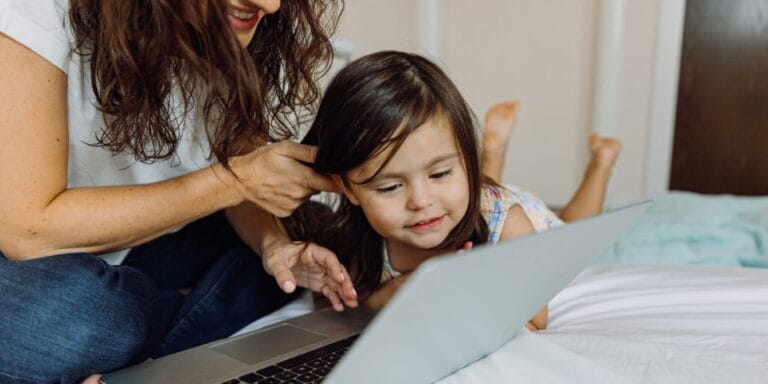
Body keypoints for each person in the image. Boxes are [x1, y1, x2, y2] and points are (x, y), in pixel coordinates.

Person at [0, 0, 358, 382]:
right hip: (24, 251)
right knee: (94, 316)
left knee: (315, 231)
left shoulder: (239, 25)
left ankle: (145, 333)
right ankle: (168, 317)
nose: (269, 5)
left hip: (136, 245)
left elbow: (236, 161)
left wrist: (273, 247)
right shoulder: (35, 9)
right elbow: (27, 232)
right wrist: (236, 180)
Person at [284, 50, 563, 331]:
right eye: (390, 187)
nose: (420, 201)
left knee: (574, 220)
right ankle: (487, 161)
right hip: (469, 195)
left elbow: (535, 320)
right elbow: (329, 305)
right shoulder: (360, 239)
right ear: (349, 189)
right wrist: (397, 291)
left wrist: (457, 299)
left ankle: (591, 166)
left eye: (440, 173)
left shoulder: (507, 222)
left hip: (527, 214)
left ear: (466, 158)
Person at [480, 101, 623, 222]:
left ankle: (492, 160)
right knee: (572, 231)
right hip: (525, 208)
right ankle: (601, 163)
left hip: (516, 212)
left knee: (488, 217)